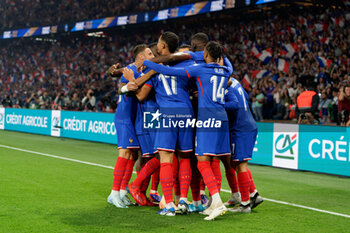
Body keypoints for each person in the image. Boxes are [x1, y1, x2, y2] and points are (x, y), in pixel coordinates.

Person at [143, 41, 231, 221]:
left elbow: (167, 73)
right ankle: (197, 201)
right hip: (217, 117)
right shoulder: (225, 70)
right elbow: (228, 64)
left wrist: (147, 63)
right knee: (199, 158)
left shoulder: (199, 69)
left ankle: (212, 202)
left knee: (195, 161)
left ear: (206, 55)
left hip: (202, 117)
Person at [107, 44, 151, 209]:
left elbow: (113, 73)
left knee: (132, 156)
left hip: (133, 119)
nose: (152, 55)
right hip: (124, 117)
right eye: (149, 53)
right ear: (141, 57)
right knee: (124, 153)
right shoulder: (131, 69)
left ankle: (123, 192)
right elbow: (121, 88)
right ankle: (114, 193)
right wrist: (126, 87)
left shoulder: (141, 72)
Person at [224, 78, 263, 213]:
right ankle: (254, 194)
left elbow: (234, 105)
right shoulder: (235, 82)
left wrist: (217, 104)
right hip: (248, 124)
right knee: (237, 164)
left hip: (240, 128)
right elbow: (245, 97)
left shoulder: (225, 87)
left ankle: (245, 204)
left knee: (240, 165)